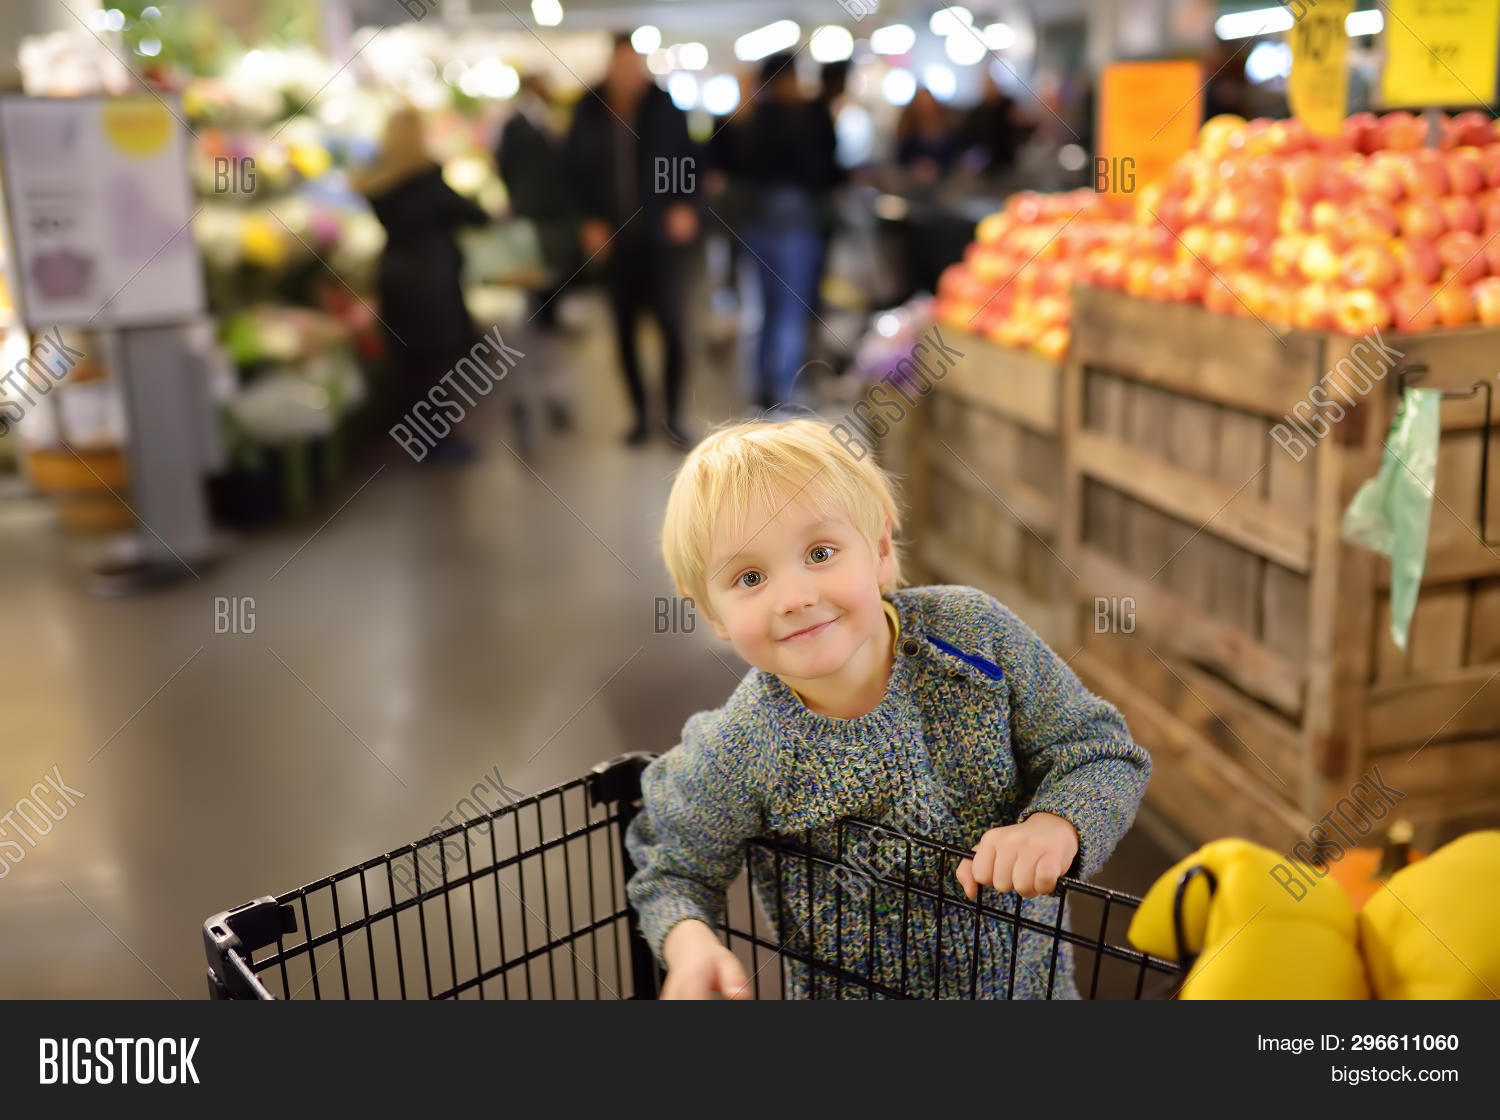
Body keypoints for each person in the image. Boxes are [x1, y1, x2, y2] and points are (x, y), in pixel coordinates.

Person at [626, 419, 1152, 999]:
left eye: (820, 552)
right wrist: (689, 943)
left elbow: (1099, 750)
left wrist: (1060, 823)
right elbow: (672, 864)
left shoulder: (974, 639)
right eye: (750, 576)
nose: (795, 597)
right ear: (713, 614)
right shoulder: (743, 744)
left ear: (878, 549)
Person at [563, 35, 700, 448]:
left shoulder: (663, 107)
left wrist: (686, 204)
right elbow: (571, 175)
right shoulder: (588, 111)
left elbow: (689, 160)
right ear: (611, 66)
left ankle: (674, 414)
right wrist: (586, 221)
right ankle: (640, 415)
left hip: (660, 242)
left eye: (634, 65)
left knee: (673, 330)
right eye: (621, 65)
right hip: (616, 244)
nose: (628, 74)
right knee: (624, 333)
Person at [353, 106, 490, 463]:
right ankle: (441, 440)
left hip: (395, 275)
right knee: (440, 365)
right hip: (432, 278)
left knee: (411, 364)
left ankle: (419, 439)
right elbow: (471, 214)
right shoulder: (426, 179)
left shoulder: (379, 180)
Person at [730, 54, 838, 412]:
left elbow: (735, 168)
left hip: (758, 223)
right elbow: (826, 170)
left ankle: (763, 389)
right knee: (790, 312)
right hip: (792, 225)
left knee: (768, 312)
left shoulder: (755, 119)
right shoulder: (807, 117)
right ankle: (786, 392)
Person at [497, 73, 575, 445]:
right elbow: (507, 169)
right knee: (531, 316)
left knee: (549, 312)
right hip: (530, 228)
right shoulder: (516, 127)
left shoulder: (552, 123)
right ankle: (530, 399)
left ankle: (550, 394)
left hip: (553, 228)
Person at [895, 87, 963, 183]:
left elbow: (955, 154)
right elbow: (900, 156)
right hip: (911, 177)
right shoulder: (908, 127)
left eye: (928, 101)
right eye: (921, 102)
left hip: (944, 178)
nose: (925, 105)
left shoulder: (948, 125)